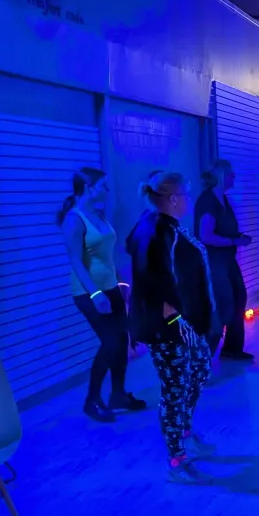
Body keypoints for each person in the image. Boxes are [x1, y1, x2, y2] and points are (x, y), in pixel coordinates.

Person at [126, 171, 217, 484]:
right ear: (174, 199)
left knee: (200, 369)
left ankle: (184, 429)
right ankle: (176, 457)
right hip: (167, 325)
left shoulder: (167, 226)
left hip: (183, 321)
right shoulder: (153, 228)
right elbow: (148, 275)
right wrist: (169, 311)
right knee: (175, 387)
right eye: (187, 194)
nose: (190, 199)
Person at [59, 168, 144, 423]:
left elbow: (106, 254)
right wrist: (96, 293)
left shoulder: (98, 214)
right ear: (88, 188)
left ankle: (118, 394)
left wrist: (119, 281)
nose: (107, 190)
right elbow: (76, 261)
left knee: (122, 340)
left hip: (110, 287)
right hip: (89, 293)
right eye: (103, 186)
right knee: (111, 343)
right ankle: (92, 401)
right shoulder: (74, 220)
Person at [195, 159, 254, 360]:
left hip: (228, 259)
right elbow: (206, 236)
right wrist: (235, 241)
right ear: (221, 176)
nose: (233, 176)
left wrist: (238, 237)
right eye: (230, 173)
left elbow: (224, 229)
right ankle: (203, 357)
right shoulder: (208, 201)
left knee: (239, 297)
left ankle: (232, 348)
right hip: (213, 261)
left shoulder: (223, 199)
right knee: (223, 304)